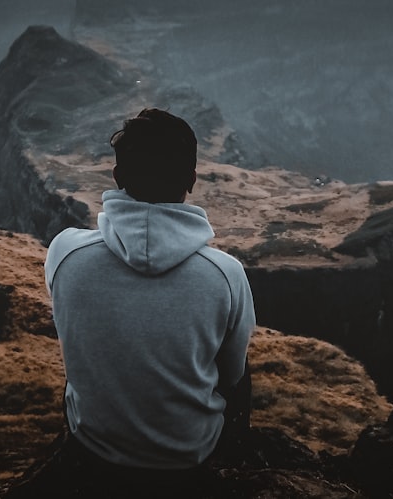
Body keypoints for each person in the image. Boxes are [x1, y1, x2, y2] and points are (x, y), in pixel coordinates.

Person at [42, 108, 256, 495]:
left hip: (94, 449)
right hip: (187, 459)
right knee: (241, 370)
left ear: (118, 176)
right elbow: (232, 376)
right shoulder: (225, 274)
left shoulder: (64, 252)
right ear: (191, 179)